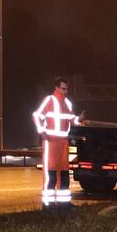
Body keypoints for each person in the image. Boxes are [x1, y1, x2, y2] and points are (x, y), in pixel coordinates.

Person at [32, 77, 83, 210]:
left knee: (64, 174)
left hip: (63, 142)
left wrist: (79, 119)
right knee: (51, 173)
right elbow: (37, 115)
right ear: (56, 88)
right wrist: (41, 131)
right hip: (51, 141)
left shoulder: (67, 103)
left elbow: (71, 119)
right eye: (63, 89)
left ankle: (63, 204)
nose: (65, 91)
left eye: (66, 89)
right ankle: (48, 205)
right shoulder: (50, 100)